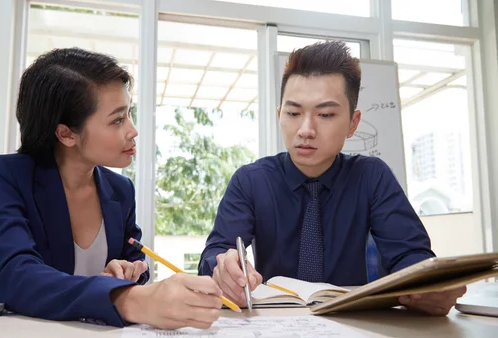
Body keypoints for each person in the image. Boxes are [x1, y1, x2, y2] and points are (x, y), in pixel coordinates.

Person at [198, 41, 465, 316]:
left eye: (325, 114)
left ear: (353, 123)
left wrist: (428, 284)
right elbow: (216, 252)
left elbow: (410, 254)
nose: (305, 130)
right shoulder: (250, 181)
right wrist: (223, 268)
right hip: (272, 325)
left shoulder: (372, 176)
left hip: (355, 323)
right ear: (279, 116)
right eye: (293, 113)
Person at [0, 48, 222, 329]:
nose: (133, 130)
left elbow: (135, 261)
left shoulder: (120, 190)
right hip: (23, 337)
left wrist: (129, 272)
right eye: (117, 120)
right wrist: (129, 299)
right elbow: (14, 277)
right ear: (66, 133)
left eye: (129, 114)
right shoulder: (2, 176)